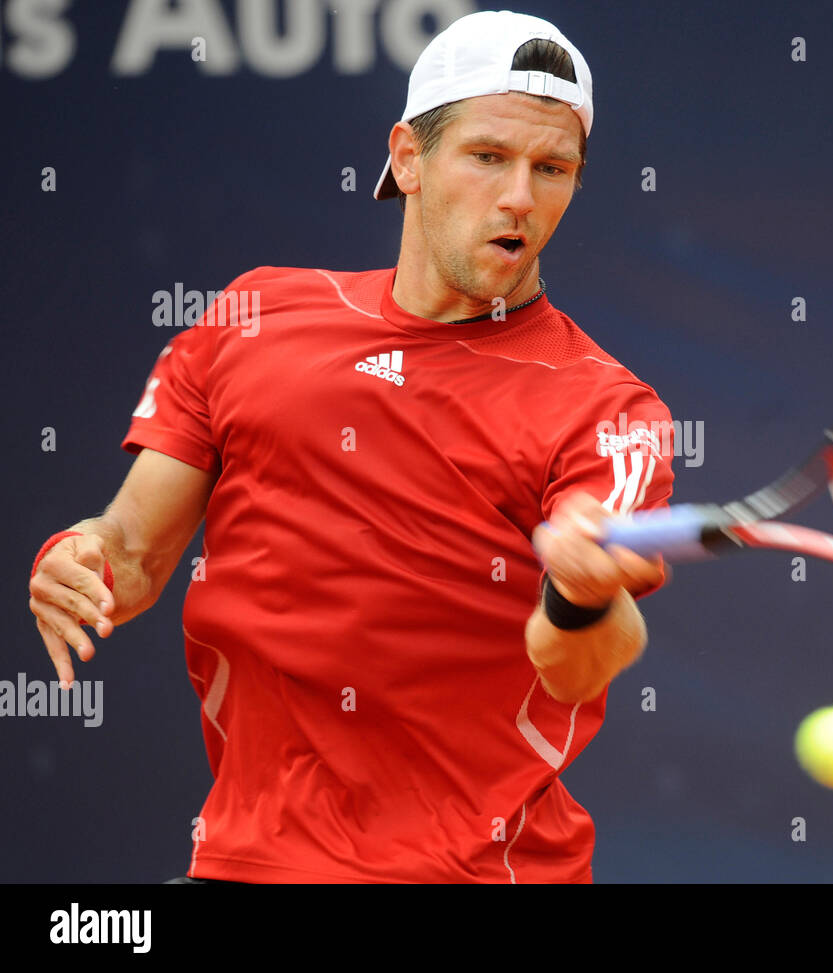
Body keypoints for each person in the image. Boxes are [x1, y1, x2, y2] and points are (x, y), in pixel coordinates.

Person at [26, 10, 674, 884]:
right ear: (407, 157)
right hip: (241, 861)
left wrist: (583, 597)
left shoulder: (609, 411)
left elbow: (582, 662)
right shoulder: (253, 316)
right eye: (488, 156)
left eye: (552, 168)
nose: (520, 196)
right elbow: (132, 553)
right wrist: (79, 560)